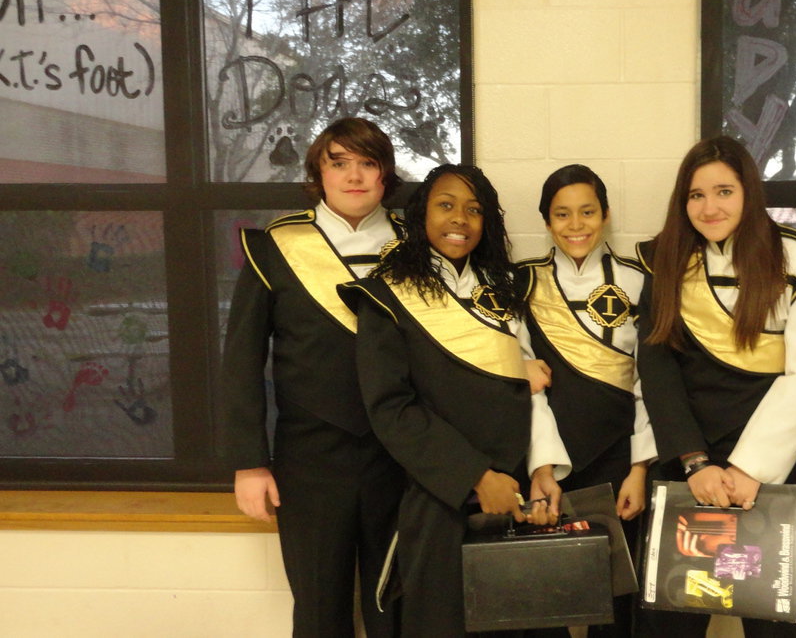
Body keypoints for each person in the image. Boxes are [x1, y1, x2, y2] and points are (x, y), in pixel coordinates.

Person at [339, 163, 571, 638]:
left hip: (517, 496)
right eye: (446, 205)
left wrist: (543, 467)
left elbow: (530, 391)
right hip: (440, 504)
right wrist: (475, 476)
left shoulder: (503, 293)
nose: (460, 219)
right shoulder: (387, 297)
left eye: (474, 210)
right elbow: (392, 409)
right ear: (422, 214)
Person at [635, 136, 796, 637]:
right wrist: (694, 462)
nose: (710, 207)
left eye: (723, 191)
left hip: (768, 467)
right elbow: (656, 368)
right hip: (688, 463)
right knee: (670, 623)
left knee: (772, 624)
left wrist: (751, 468)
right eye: (696, 195)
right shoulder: (664, 259)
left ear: (748, 191)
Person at [218, 117, 407, 637]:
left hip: (404, 457)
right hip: (310, 461)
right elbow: (240, 362)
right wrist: (249, 464)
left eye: (368, 164)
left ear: (385, 176)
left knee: (400, 610)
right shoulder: (275, 247)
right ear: (317, 173)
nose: (354, 176)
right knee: (320, 614)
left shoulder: (417, 248)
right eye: (339, 163)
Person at [517, 164, 657, 637]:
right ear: (546, 220)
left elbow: (650, 384)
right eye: (562, 214)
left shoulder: (641, 282)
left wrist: (639, 468)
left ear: (606, 214)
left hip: (620, 464)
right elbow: (525, 390)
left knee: (616, 609)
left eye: (587, 212)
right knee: (541, 606)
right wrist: (541, 467)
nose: (575, 225)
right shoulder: (522, 284)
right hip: (547, 463)